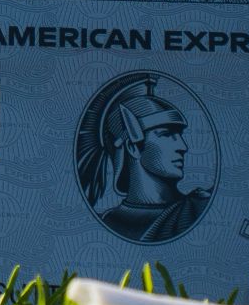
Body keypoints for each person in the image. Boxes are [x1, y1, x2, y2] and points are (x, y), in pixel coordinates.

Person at [83, 78, 212, 243]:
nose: (183, 147)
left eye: (179, 135)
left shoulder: (198, 208)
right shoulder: (105, 221)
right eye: (166, 134)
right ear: (133, 147)